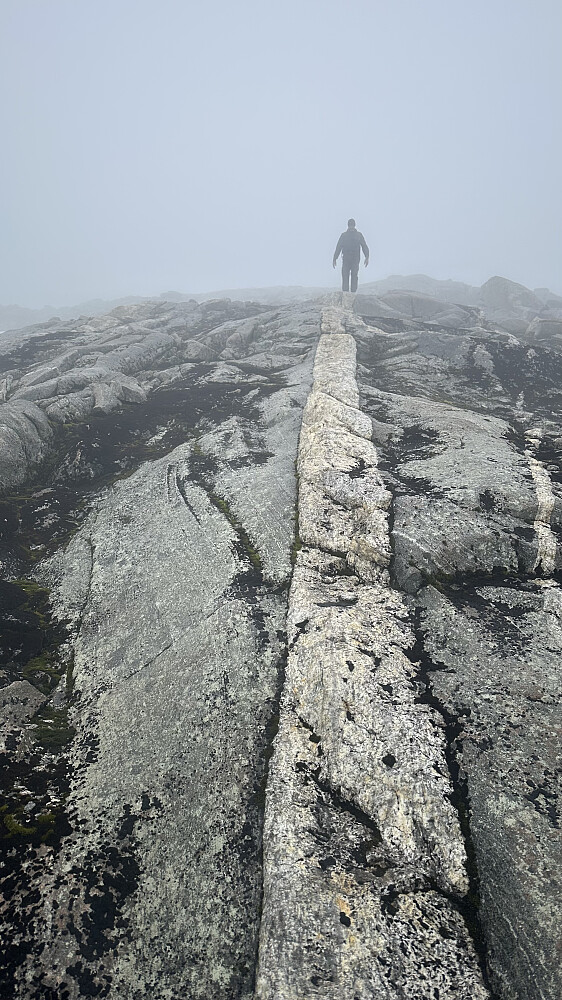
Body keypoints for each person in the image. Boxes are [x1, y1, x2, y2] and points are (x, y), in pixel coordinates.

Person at [332, 219, 369, 293]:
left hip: (355, 259)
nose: (351, 227)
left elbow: (364, 246)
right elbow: (338, 247)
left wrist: (367, 256)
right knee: (345, 275)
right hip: (346, 259)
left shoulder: (358, 235)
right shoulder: (344, 235)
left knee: (354, 275)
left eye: (352, 225)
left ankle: (353, 293)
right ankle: (346, 293)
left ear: (354, 225)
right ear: (348, 226)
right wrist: (334, 258)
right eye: (350, 225)